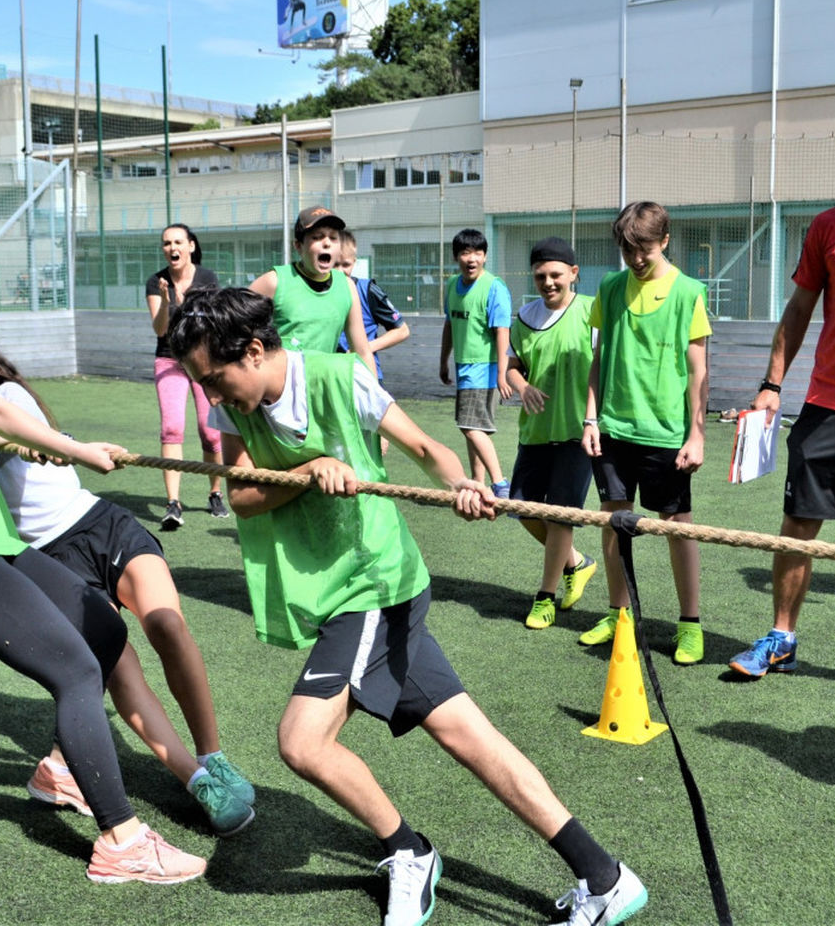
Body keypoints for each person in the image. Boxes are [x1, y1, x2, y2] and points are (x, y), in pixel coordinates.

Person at [169, 285, 648, 926]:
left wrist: (465, 485)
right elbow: (245, 495)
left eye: (215, 379)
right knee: (470, 738)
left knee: (302, 742)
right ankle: (605, 875)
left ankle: (408, 851)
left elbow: (427, 449)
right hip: (336, 592)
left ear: (254, 351)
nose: (211, 397)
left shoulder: (341, 378)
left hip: (376, 586)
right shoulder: (235, 406)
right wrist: (312, 468)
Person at [0, 267, 206, 884]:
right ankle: (122, 841)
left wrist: (41, 444)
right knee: (76, 670)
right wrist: (78, 449)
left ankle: (60, 770)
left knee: (103, 636)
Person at [729, 111, 835, 702]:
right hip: (828, 404)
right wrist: (772, 385)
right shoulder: (829, 226)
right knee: (798, 528)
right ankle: (781, 638)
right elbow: (799, 310)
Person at [581, 202, 710, 666]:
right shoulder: (610, 288)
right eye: (628, 250)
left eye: (645, 250)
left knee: (679, 527)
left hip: (667, 434)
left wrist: (696, 435)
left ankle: (690, 624)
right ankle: (620, 615)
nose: (636, 259)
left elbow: (698, 372)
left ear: (665, 241)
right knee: (614, 522)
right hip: (613, 428)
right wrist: (591, 419)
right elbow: (598, 359)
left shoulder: (689, 292)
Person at [506, 237, 598, 630]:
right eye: (541, 276)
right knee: (521, 505)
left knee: (560, 516)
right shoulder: (524, 317)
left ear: (573, 274)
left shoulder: (593, 312)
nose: (548, 283)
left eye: (556, 275)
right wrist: (522, 385)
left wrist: (595, 420)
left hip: (578, 432)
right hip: (536, 431)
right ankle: (576, 562)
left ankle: (544, 597)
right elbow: (511, 368)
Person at [145, 222, 229, 530]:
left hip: (203, 361)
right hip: (169, 360)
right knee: (171, 428)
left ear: (191, 246)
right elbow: (160, 330)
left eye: (178, 242)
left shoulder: (207, 279)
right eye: (166, 243)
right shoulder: (156, 282)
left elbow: (214, 322)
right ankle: (173, 503)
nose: (172, 248)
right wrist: (170, 301)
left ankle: (215, 493)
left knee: (210, 432)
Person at [248, 205, 377, 376]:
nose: (327, 243)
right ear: (298, 246)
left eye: (334, 238)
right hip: (279, 392)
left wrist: (375, 398)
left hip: (322, 387)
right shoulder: (274, 281)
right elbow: (235, 332)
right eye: (317, 237)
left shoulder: (347, 287)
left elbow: (362, 351)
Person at [438, 228, 512, 498]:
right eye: (465, 253)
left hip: (485, 369)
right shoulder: (452, 286)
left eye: (478, 253)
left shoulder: (494, 287)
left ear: (485, 256)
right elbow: (449, 324)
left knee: (469, 427)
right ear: (456, 256)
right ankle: (478, 484)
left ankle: (501, 483)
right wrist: (443, 360)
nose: (472, 259)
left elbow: (502, 330)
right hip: (463, 366)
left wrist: (503, 374)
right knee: (474, 428)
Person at [335, 229, 411, 384]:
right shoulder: (316, 292)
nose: (340, 271)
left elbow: (402, 330)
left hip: (364, 376)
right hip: (330, 377)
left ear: (354, 262)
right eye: (334, 264)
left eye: (346, 265)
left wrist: (364, 348)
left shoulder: (367, 290)